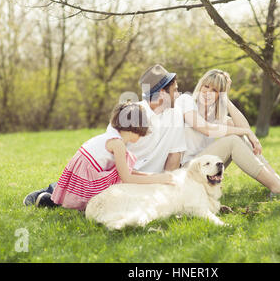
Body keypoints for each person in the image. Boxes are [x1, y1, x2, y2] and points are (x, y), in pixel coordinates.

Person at [24, 64, 185, 207]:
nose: (178, 94)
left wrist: (165, 182)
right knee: (99, 199)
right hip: (121, 176)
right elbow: (106, 155)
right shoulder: (133, 114)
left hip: (147, 178)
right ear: (162, 93)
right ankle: (53, 191)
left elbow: (174, 154)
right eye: (175, 90)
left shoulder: (175, 114)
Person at [175, 69, 280, 198]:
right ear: (200, 86)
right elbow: (205, 128)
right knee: (232, 141)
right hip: (186, 172)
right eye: (206, 86)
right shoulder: (186, 101)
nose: (208, 92)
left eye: (215, 90)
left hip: (204, 168)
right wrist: (247, 132)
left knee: (238, 137)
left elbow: (242, 127)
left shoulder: (215, 114)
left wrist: (226, 99)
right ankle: (279, 188)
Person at [23, 103, 174, 210]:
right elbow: (126, 177)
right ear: (134, 128)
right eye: (141, 132)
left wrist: (150, 175)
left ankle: (47, 198)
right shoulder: (118, 144)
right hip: (88, 175)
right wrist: (158, 179)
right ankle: (46, 201)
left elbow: (127, 171)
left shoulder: (113, 136)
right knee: (103, 198)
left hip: (83, 169)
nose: (141, 137)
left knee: (118, 173)